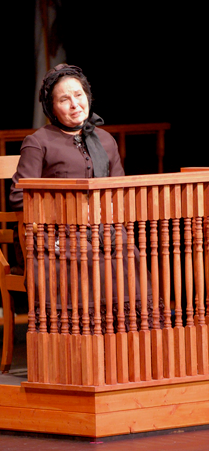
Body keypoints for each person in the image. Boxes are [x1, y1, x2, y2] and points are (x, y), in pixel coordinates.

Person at [9, 64, 164, 333]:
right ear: (51, 107)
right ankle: (80, 342)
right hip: (56, 233)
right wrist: (71, 212)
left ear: (88, 96)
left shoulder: (105, 140)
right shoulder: (38, 141)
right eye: (64, 99)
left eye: (78, 95)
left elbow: (120, 191)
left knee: (127, 252)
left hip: (104, 230)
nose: (74, 104)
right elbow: (18, 197)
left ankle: (127, 341)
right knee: (87, 256)